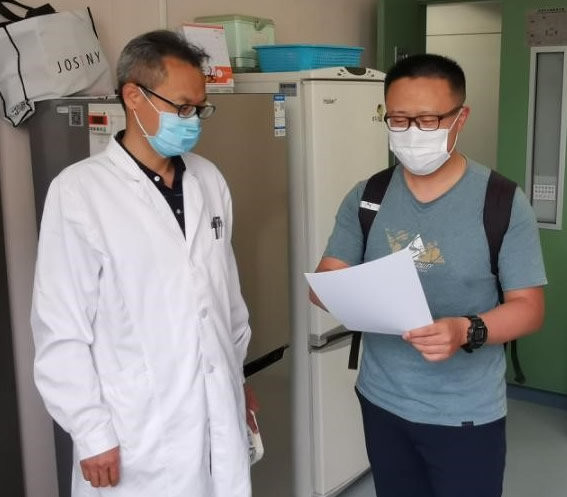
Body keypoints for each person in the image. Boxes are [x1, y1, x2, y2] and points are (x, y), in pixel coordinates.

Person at [31, 30, 258, 497]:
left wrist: (237, 379)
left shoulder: (209, 179)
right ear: (134, 96)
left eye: (200, 109)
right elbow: (60, 328)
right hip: (136, 426)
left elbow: (226, 300)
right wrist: (90, 430)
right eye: (182, 108)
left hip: (216, 405)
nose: (193, 122)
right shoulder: (80, 191)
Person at [309, 54, 547, 497]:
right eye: (398, 120)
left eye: (428, 120)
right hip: (381, 399)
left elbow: (529, 309)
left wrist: (465, 329)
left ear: (460, 118)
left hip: (465, 413)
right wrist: (331, 289)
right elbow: (329, 277)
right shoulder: (368, 196)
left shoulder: (502, 202)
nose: (412, 133)